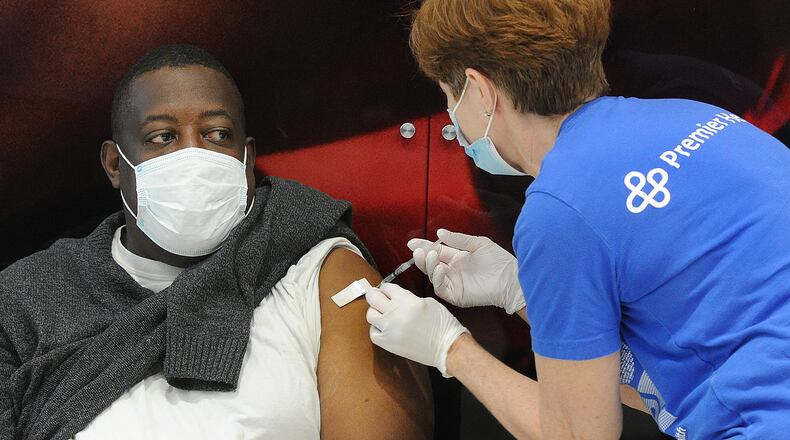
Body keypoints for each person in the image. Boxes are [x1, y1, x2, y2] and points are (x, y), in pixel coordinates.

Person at [364, 0, 790, 439]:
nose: (452, 115)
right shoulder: (699, 117)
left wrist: (451, 348)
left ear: (480, 90)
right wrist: (519, 291)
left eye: (449, 95)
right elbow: (669, 378)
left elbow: (577, 434)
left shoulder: (559, 211)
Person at [0, 44, 432, 440]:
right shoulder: (27, 299)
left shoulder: (321, 271)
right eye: (162, 137)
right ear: (115, 164)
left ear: (247, 158)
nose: (193, 155)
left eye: (217, 134)